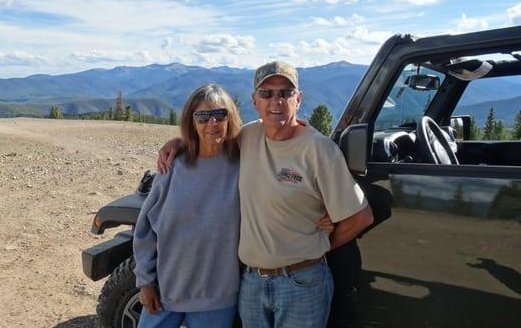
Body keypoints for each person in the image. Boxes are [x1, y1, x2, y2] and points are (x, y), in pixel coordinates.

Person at [158, 61, 374, 328]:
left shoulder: (320, 151)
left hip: (302, 284)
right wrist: (177, 142)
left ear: (298, 99)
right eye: (267, 93)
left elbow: (360, 217)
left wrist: (319, 246)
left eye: (285, 92)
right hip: (252, 283)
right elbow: (210, 138)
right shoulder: (248, 136)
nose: (276, 101)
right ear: (255, 101)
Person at [132, 83, 242, 328]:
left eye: (219, 114)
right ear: (192, 122)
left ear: (230, 118)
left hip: (217, 299)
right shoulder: (172, 167)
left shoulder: (243, 165)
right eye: (202, 116)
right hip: (166, 293)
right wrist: (145, 281)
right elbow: (145, 228)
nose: (212, 123)